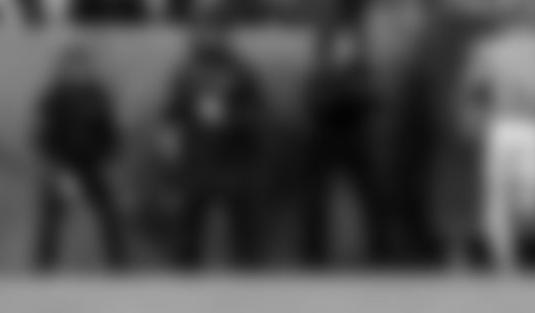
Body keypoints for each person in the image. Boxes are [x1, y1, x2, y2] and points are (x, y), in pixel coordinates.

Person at [458, 18, 535, 273]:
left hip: (534, 125)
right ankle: (506, 261)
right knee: (497, 197)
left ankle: (508, 240)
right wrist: (470, 114)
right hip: (502, 124)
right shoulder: (488, 47)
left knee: (534, 200)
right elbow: (472, 85)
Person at [160, 21, 272, 269]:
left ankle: (250, 286)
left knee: (245, 227)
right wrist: (170, 143)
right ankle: (185, 287)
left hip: (235, 158)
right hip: (197, 158)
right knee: (190, 225)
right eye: (204, 32)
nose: (209, 38)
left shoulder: (242, 72)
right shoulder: (186, 72)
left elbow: (259, 114)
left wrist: (229, 118)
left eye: (215, 33)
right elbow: (173, 113)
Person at [31, 42, 129, 270]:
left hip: (93, 166)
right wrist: (58, 170)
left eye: (81, 66)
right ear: (64, 69)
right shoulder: (53, 98)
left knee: (111, 216)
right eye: (72, 66)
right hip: (63, 167)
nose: (77, 71)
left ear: (89, 69)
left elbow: (111, 133)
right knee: (52, 222)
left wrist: (107, 162)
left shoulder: (100, 96)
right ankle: (42, 274)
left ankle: (119, 269)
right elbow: (44, 137)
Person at [298, 25, 387, 267]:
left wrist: (345, 92)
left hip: (356, 138)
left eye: (349, 45)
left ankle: (381, 255)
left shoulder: (361, 73)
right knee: (314, 199)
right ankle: (313, 257)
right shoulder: (320, 73)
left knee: (373, 197)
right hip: (324, 139)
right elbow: (313, 104)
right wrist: (343, 93)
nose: (345, 50)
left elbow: (373, 100)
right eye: (340, 45)